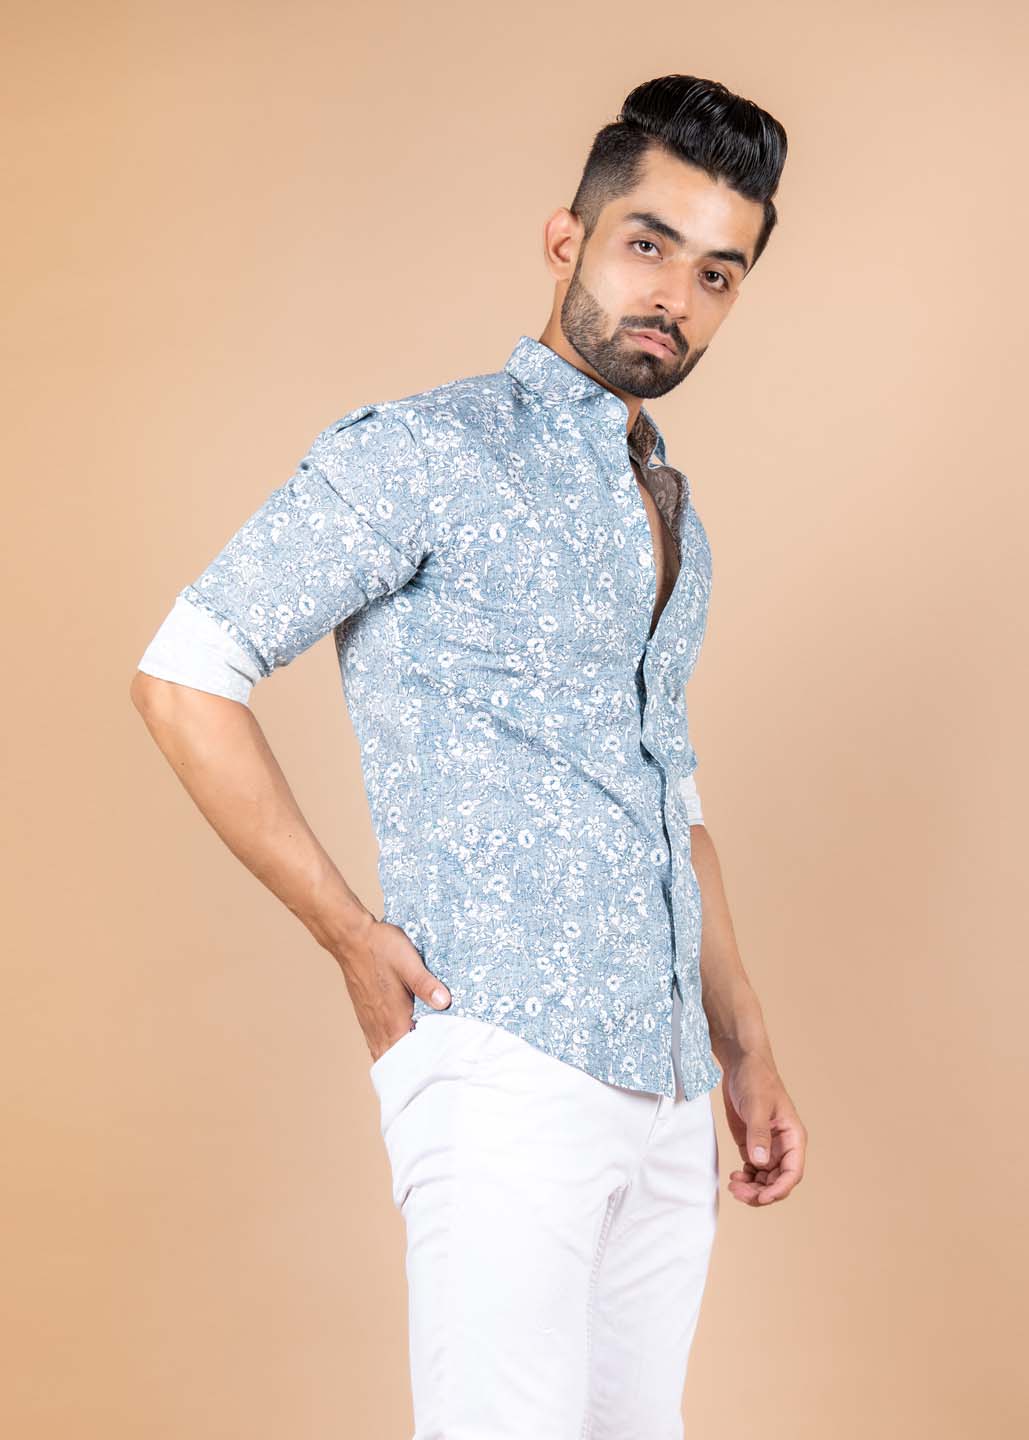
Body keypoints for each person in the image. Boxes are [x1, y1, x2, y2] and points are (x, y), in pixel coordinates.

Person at [131, 72, 808, 1439]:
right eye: (649, 244)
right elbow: (186, 674)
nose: (674, 296)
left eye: (716, 273)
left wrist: (744, 1047)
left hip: (669, 1087)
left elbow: (668, 795)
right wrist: (347, 935)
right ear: (567, 239)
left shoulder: (675, 515)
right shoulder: (425, 454)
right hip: (505, 1061)